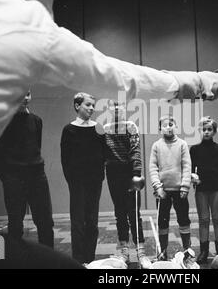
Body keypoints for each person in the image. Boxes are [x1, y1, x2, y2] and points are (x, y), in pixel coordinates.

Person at [0, 0, 218, 267]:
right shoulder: (24, 20)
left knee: (1, 249)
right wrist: (200, 81)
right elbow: (119, 77)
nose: (52, 6)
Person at [0, 91, 54, 248]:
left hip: (37, 176)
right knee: (15, 223)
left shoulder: (36, 120)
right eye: (21, 94)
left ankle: (48, 262)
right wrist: (8, 178)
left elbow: (36, 148)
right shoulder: (2, 122)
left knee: (45, 221)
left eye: (28, 94)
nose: (26, 98)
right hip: (14, 178)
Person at [103, 101, 151, 268]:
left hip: (129, 173)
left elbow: (136, 150)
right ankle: (124, 251)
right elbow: (103, 152)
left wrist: (136, 174)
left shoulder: (131, 126)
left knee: (133, 214)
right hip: (113, 173)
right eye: (113, 106)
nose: (116, 108)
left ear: (124, 108)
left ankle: (141, 252)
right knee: (120, 213)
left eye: (120, 105)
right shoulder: (106, 128)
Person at [60, 92, 105, 265]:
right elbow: (65, 159)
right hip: (77, 182)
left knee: (92, 221)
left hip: (95, 181)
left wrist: (100, 176)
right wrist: (72, 180)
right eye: (88, 105)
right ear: (77, 106)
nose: (92, 108)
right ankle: (78, 260)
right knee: (78, 220)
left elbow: (103, 155)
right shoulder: (69, 129)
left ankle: (90, 259)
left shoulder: (98, 128)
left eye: (93, 105)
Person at [149, 115, 192, 261]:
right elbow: (153, 167)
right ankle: (163, 252)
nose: (168, 127)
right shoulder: (156, 146)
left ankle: (187, 252)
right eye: (165, 125)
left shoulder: (182, 144)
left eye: (171, 124)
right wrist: (158, 187)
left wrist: (185, 186)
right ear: (160, 128)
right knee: (162, 222)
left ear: (176, 126)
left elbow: (187, 166)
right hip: (163, 192)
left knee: (184, 219)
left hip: (180, 191)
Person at [190, 117, 218, 264]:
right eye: (204, 129)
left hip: (217, 189)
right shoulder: (194, 149)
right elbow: (190, 168)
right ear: (200, 131)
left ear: (215, 131)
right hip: (201, 189)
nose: (206, 132)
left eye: (209, 129)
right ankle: (204, 251)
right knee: (204, 220)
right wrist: (192, 177)